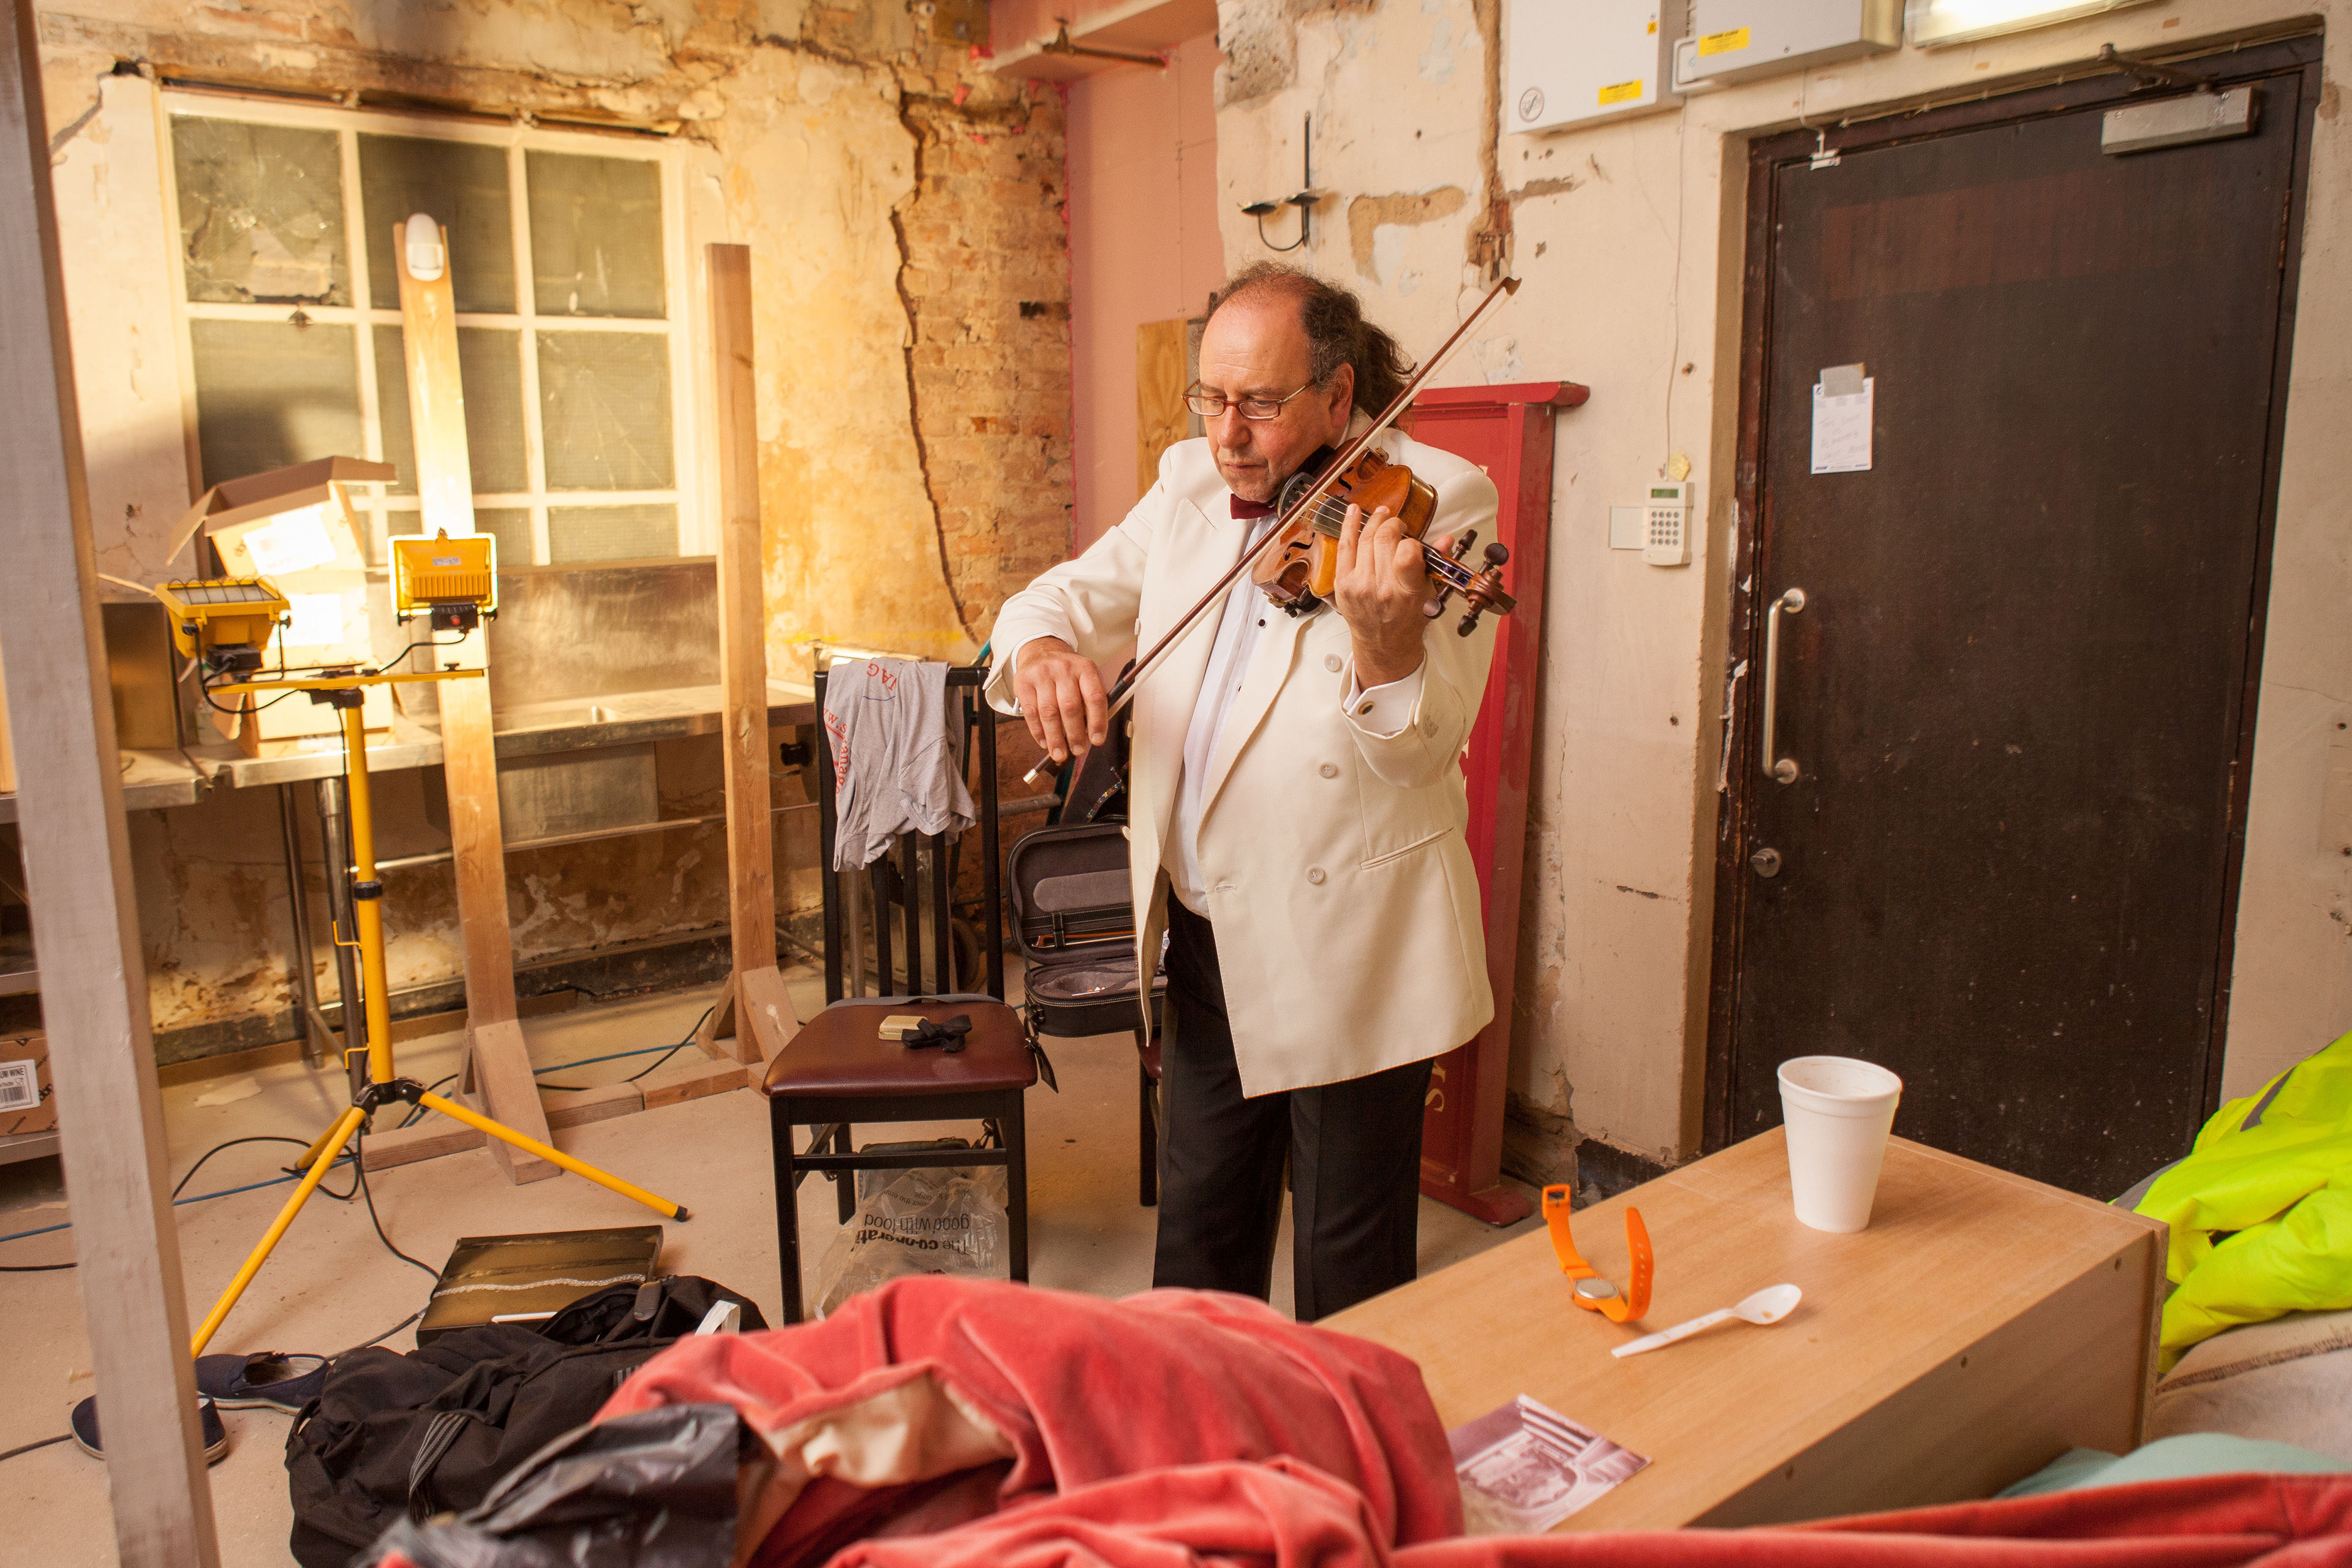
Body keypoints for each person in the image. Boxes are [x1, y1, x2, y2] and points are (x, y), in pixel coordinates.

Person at [984, 263, 1500, 1319]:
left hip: (1352, 942)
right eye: (1211, 398)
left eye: (1260, 403)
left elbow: (1426, 751)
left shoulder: (1438, 500)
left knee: (1348, 1266)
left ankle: (1341, 1425)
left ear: (1340, 396)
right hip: (1206, 937)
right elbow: (1054, 600)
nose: (1228, 434)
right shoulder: (1186, 485)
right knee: (1200, 1239)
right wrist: (1040, 651)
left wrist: (1387, 644)